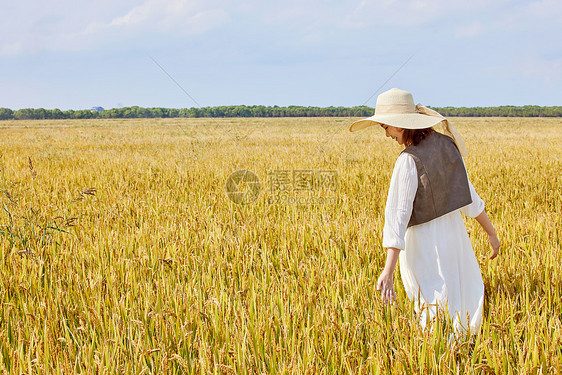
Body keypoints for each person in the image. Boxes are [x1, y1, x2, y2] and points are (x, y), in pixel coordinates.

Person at [349, 88, 500, 333]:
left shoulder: (408, 160)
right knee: (459, 306)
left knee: (433, 308)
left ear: (399, 125)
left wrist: (387, 271)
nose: (386, 134)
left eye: (385, 127)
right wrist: (491, 233)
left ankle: (440, 359)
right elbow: (470, 197)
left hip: (425, 247)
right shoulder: (446, 146)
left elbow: (397, 218)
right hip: (455, 241)